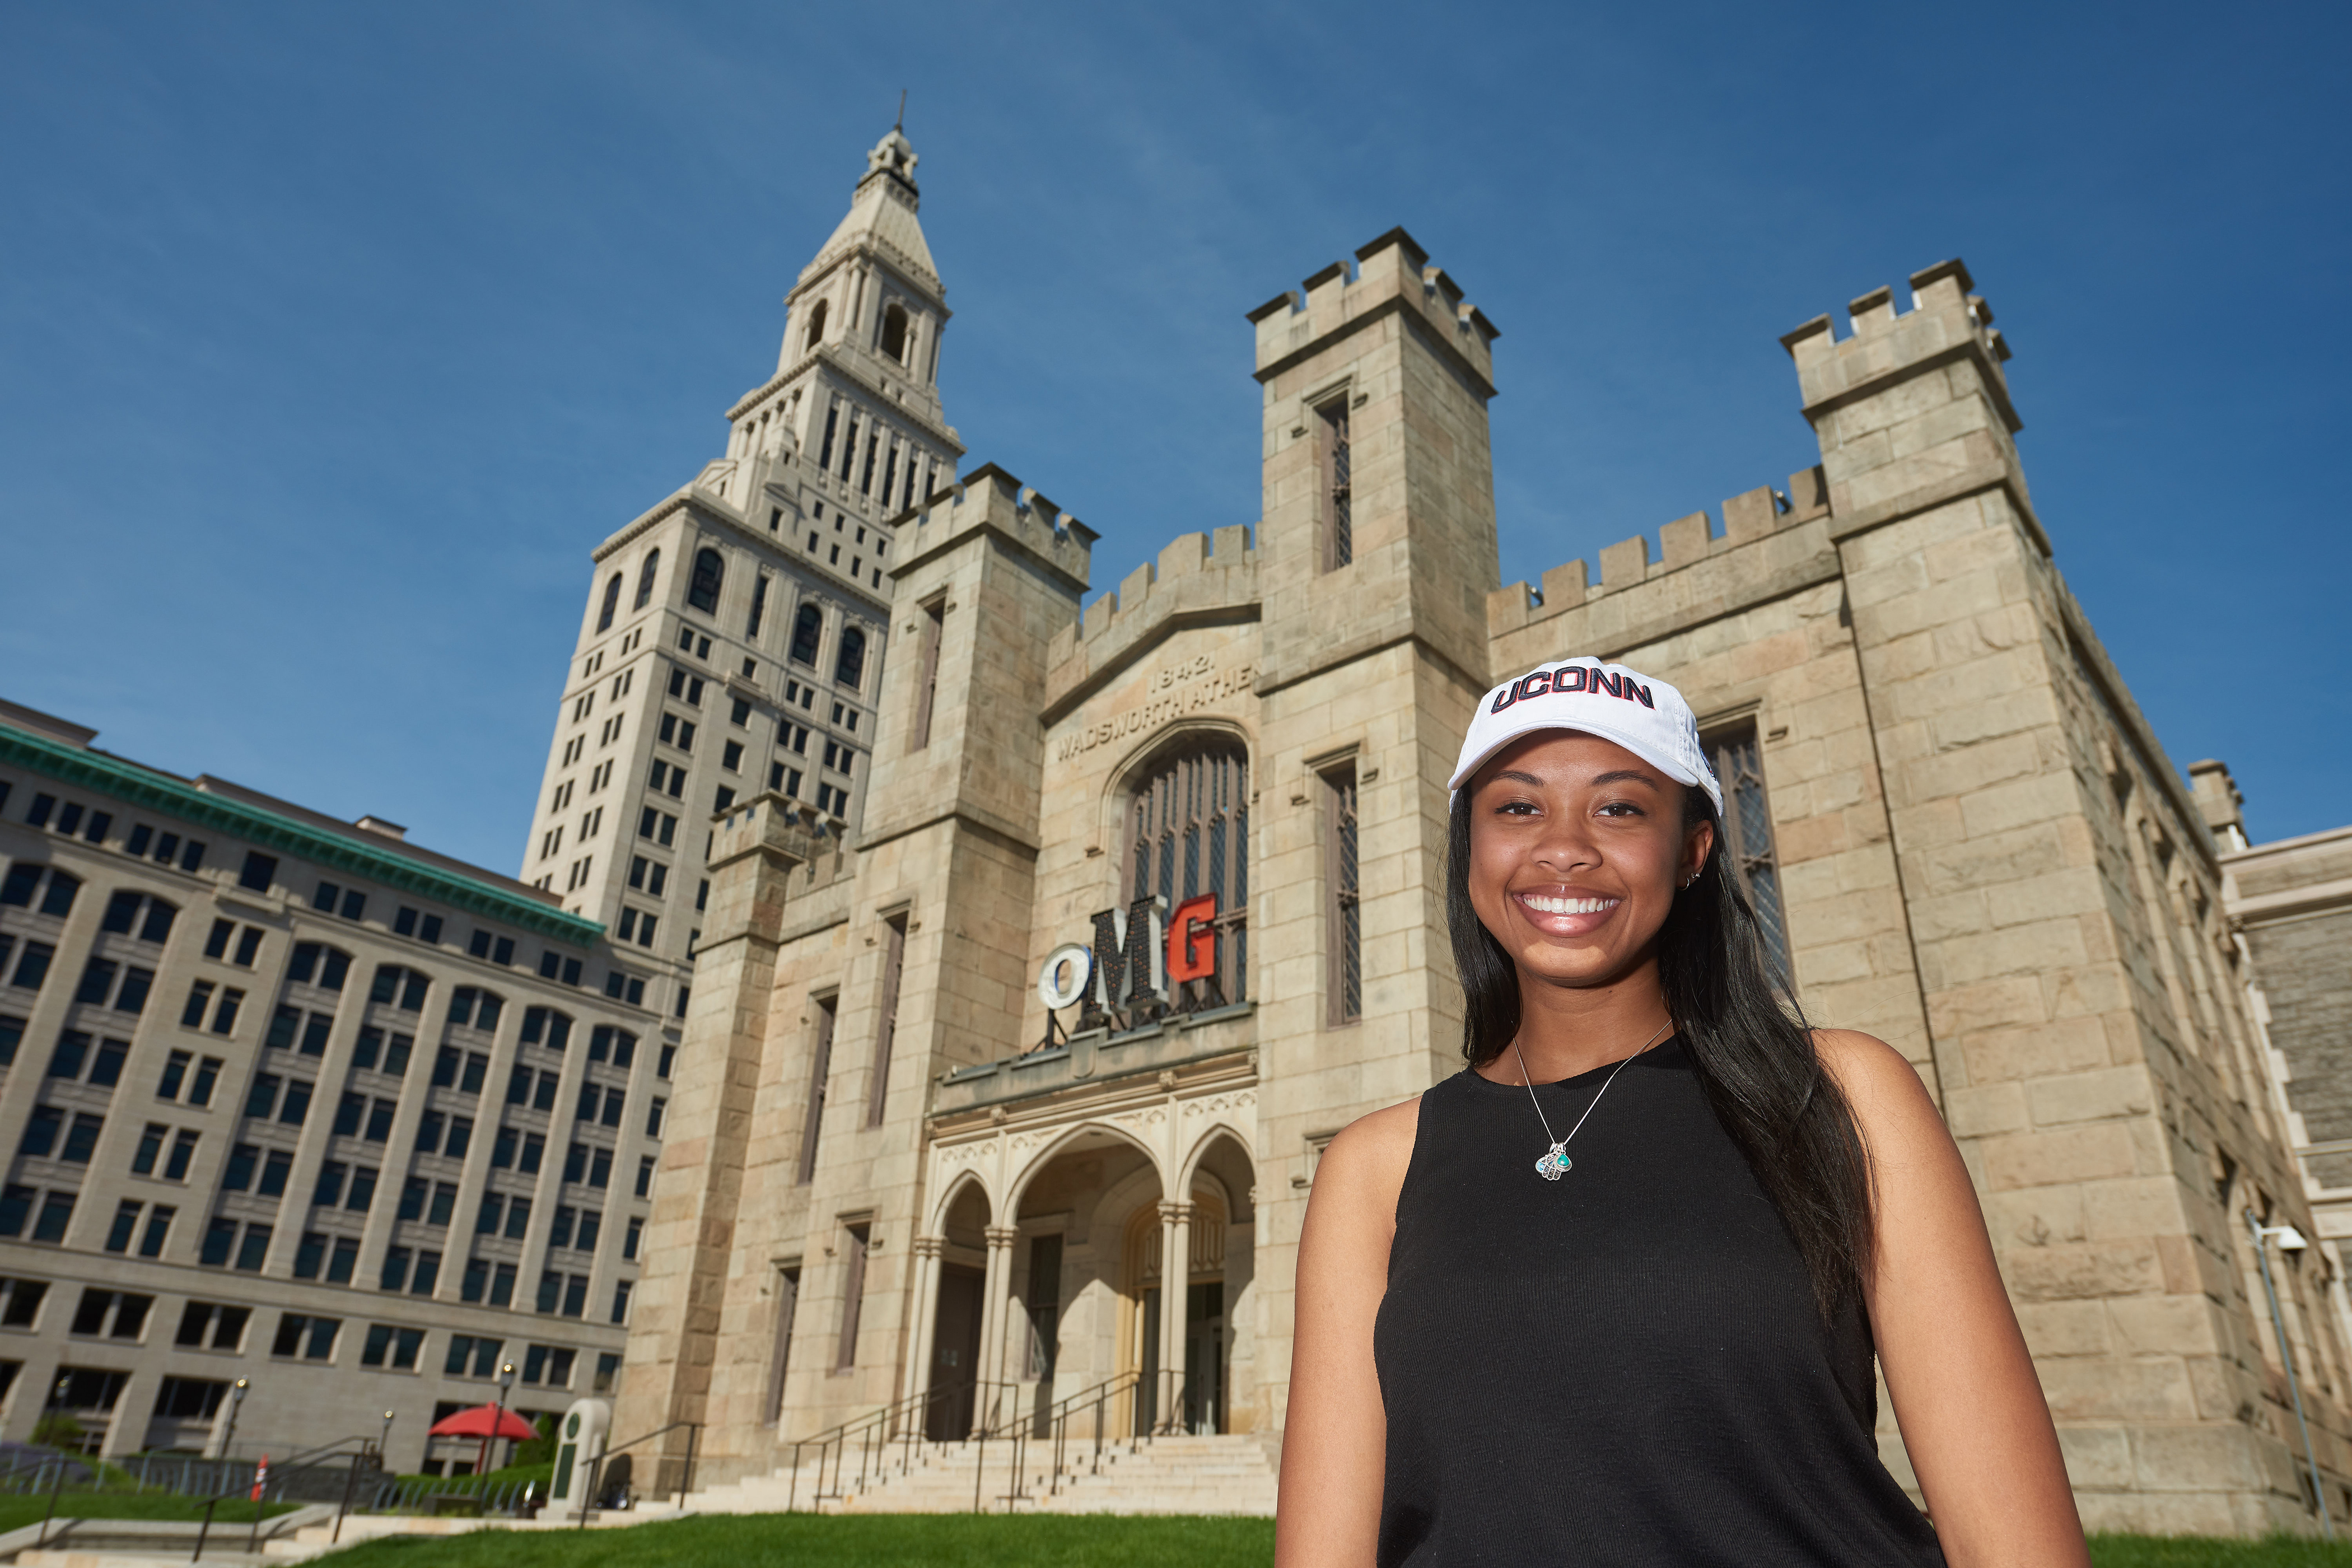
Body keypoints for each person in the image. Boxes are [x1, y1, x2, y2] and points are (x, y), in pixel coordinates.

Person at [1276, 658, 2087, 1567]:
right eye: (1517, 807)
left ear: (1694, 849)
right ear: (1470, 844)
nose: (1564, 846)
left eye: (1620, 807)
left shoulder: (1842, 1097)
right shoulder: (1374, 1165)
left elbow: (2013, 1544)